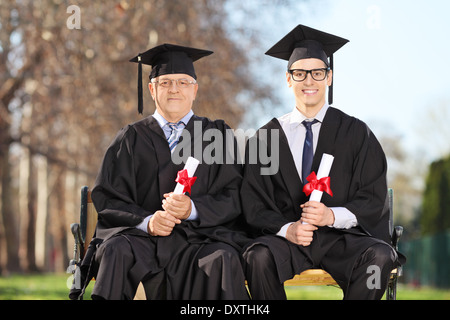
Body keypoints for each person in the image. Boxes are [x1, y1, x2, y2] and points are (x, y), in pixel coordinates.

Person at [73, 43, 250, 300]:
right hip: (140, 239)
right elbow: (108, 198)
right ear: (152, 89)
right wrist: (148, 222)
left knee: (222, 259)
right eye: (165, 82)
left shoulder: (217, 136)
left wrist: (194, 209)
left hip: (200, 241)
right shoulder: (130, 138)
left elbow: (234, 195)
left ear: (195, 90)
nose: (174, 89)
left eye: (183, 82)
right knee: (116, 250)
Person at [241, 24, 405, 300]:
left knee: (378, 257)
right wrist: (288, 229)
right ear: (288, 78)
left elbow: (373, 197)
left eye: (317, 73)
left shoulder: (356, 133)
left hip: (342, 239)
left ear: (328, 77)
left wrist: (331, 215)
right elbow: (253, 201)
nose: (309, 81)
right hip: (287, 239)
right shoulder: (266, 137)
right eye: (300, 73)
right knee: (257, 258)